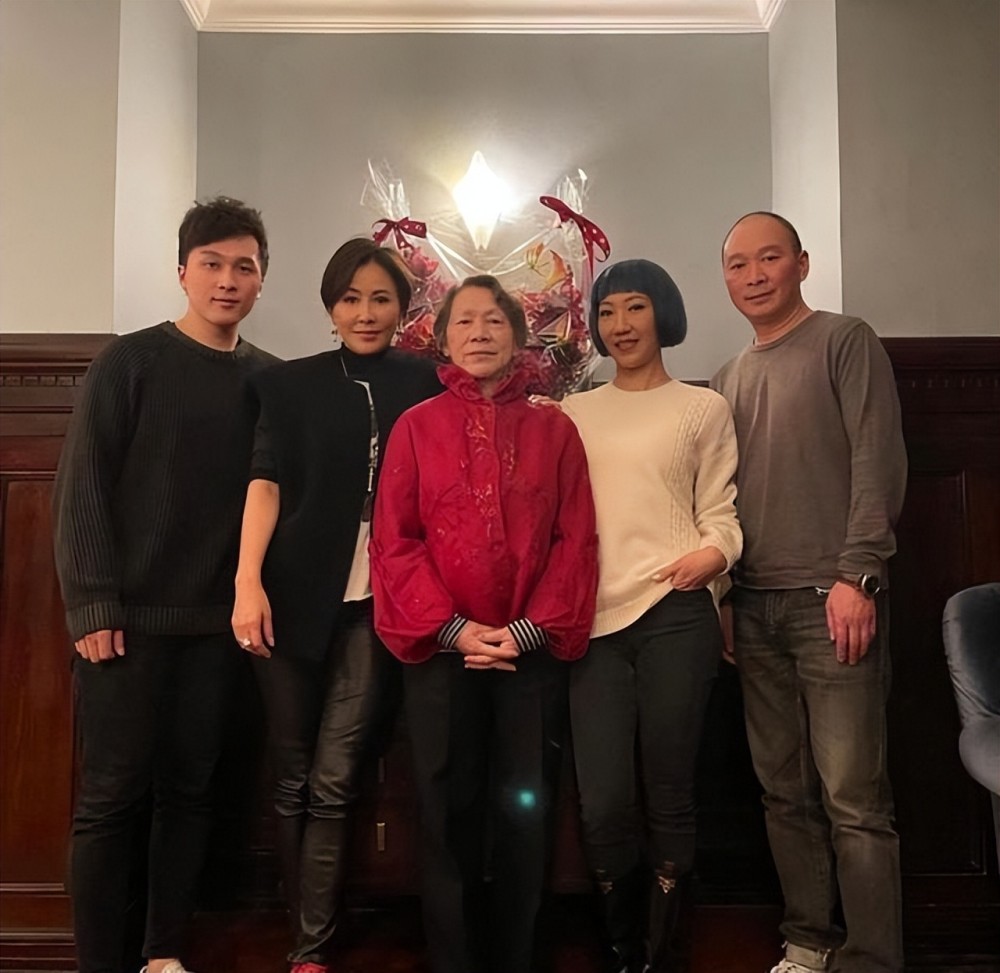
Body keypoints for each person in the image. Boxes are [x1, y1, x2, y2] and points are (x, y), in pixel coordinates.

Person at [52, 197, 276, 973]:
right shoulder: (129, 362)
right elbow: (82, 485)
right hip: (125, 624)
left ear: (262, 280)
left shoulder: (268, 380)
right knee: (111, 797)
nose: (227, 279)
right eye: (211, 263)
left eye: (243, 266)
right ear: (183, 271)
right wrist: (92, 603)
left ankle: (163, 952)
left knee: (191, 792)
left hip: (217, 628)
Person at [369, 275, 598, 973]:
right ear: (442, 339)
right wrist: (454, 629)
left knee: (528, 813)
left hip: (530, 655)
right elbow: (395, 540)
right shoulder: (416, 427)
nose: (479, 332)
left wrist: (525, 631)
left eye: (493, 320)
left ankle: (520, 956)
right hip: (443, 655)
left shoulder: (556, 429)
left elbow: (575, 539)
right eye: (464, 321)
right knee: (445, 810)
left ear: (517, 335)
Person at [230, 238, 441, 973]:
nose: (365, 312)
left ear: (403, 309)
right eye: (351, 298)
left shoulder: (428, 383)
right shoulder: (287, 386)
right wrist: (247, 583)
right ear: (331, 307)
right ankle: (306, 939)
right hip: (289, 595)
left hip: (380, 604)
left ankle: (312, 943)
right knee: (291, 775)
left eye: (381, 298)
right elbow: (265, 482)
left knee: (334, 774)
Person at [711, 212, 907, 973]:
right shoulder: (726, 378)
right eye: (738, 264)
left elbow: (877, 461)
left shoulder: (844, 339)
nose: (754, 274)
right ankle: (808, 943)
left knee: (854, 799)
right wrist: (726, 598)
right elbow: (720, 502)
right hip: (754, 606)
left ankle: (872, 959)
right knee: (783, 794)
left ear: (801, 263)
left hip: (834, 600)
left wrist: (858, 576)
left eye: (769, 258)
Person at [560, 260, 742, 973]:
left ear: (662, 312)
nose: (621, 324)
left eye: (635, 307)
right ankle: (621, 946)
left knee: (670, 791)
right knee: (603, 801)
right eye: (607, 311)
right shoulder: (574, 412)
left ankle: (664, 953)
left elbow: (720, 512)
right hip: (592, 626)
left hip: (675, 612)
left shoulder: (703, 407)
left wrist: (713, 557)